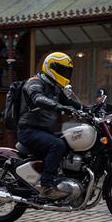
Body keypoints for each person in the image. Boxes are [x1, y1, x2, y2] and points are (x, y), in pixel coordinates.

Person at [18, 52, 83, 197]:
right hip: (29, 130)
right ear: (51, 67)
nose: (65, 73)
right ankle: (46, 185)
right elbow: (38, 98)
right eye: (62, 70)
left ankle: (61, 177)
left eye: (67, 71)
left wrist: (88, 109)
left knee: (67, 141)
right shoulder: (34, 82)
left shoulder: (55, 87)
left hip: (44, 131)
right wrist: (59, 107)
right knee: (57, 145)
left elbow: (69, 103)